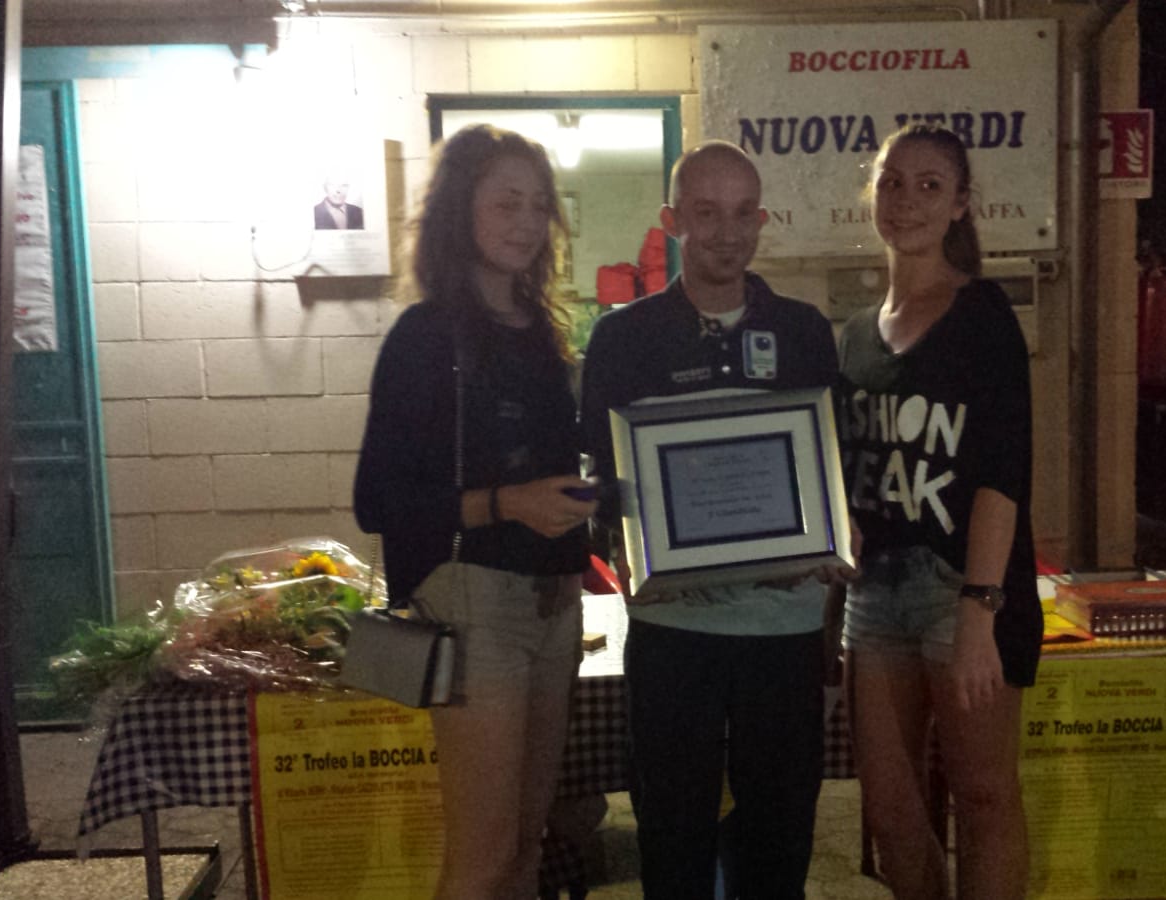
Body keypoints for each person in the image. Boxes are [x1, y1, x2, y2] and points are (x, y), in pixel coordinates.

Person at [579, 140, 840, 900]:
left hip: (785, 628)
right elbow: (602, 480)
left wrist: (832, 543)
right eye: (707, 212)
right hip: (673, 628)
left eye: (743, 212)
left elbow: (834, 463)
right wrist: (629, 556)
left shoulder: (804, 331)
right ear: (673, 221)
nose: (727, 232)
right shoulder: (622, 338)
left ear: (762, 219)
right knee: (672, 835)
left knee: (780, 837)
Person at [352, 124, 598, 900]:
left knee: (526, 847)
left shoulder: (544, 331)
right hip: (474, 602)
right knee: (483, 859)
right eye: (506, 202)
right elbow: (376, 501)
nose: (526, 222)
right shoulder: (426, 336)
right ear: (460, 209)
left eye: (539, 204)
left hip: (556, 603)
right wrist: (509, 504)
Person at [835, 122, 1042, 899]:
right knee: (889, 811)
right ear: (872, 194)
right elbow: (847, 469)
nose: (906, 200)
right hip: (874, 594)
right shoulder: (857, 335)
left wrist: (981, 611)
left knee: (983, 798)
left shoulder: (982, 314)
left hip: (961, 589)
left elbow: (1002, 474)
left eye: (929, 186)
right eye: (892, 182)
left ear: (960, 204)